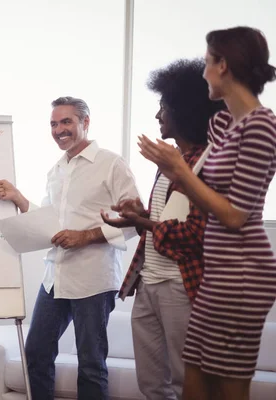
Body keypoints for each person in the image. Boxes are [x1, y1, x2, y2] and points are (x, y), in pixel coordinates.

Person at [138, 26, 276, 400]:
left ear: (223, 66)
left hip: (242, 276)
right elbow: (205, 198)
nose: (203, 73)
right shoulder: (222, 125)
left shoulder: (262, 125)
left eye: (206, 63)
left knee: (226, 388)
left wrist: (178, 171)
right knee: (195, 384)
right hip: (216, 273)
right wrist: (175, 175)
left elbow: (235, 216)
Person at [0, 96, 139, 400]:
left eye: (66, 121)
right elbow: (50, 223)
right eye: (54, 124)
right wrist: (17, 197)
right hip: (55, 277)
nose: (58, 130)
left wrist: (86, 236)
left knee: (91, 365)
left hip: (93, 279)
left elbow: (136, 220)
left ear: (85, 122)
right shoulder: (56, 170)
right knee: (36, 355)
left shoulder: (111, 164)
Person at [102, 59, 226, 400]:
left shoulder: (210, 163)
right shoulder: (170, 163)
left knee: (190, 382)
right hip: (149, 284)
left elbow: (197, 236)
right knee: (151, 383)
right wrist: (138, 215)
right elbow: (166, 219)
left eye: (163, 107)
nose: (158, 115)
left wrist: (144, 223)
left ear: (185, 112)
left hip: (183, 289)